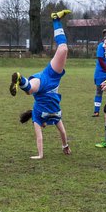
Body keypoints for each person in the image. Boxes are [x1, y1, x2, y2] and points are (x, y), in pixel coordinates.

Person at [11, 9, 73, 159]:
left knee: (31, 90)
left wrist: (40, 155)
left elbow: (42, 137)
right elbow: (62, 133)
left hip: (43, 80)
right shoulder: (54, 117)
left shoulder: (37, 117)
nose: (43, 127)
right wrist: (64, 147)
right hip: (51, 77)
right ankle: (56, 20)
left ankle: (21, 80)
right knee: (63, 49)